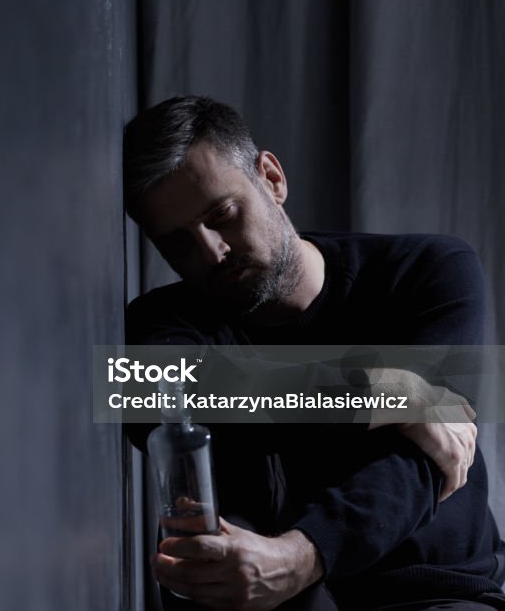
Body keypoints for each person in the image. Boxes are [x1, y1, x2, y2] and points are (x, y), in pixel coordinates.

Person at [123, 96, 505, 610]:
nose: (212, 252)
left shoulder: (430, 271)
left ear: (272, 178)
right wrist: (373, 391)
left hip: (430, 593)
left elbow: (429, 456)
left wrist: (300, 557)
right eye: (178, 244)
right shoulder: (164, 323)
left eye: (223, 215)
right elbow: (158, 401)